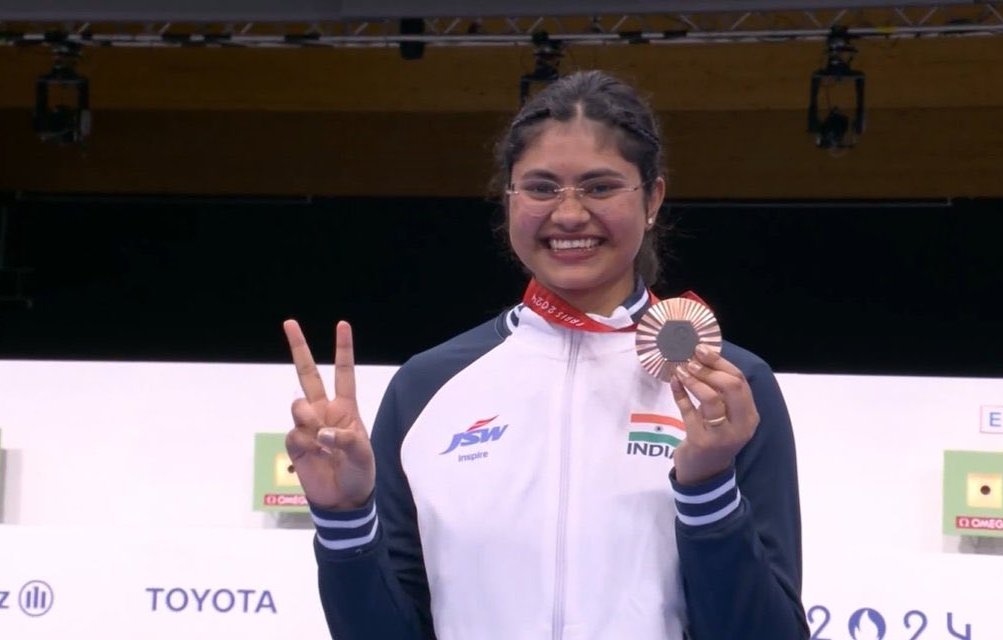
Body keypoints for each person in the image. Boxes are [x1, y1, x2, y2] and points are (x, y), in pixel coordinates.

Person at [282, 70, 807, 640]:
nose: (569, 214)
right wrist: (344, 520)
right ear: (509, 200)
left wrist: (708, 486)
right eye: (541, 188)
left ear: (653, 198)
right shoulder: (426, 386)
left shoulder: (727, 387)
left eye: (600, 187)